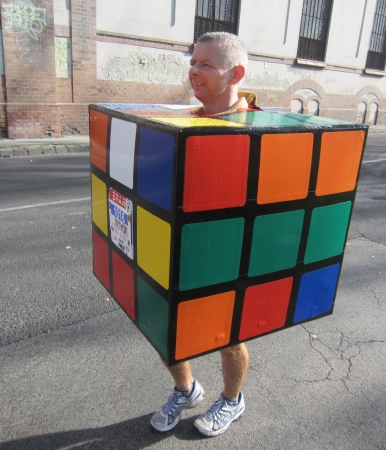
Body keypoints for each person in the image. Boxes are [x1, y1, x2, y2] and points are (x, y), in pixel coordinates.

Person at [150, 32, 256, 437]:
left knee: (228, 335)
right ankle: (187, 389)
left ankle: (232, 400)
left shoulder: (258, 127)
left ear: (236, 74)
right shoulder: (186, 120)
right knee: (166, 324)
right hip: (180, 243)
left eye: (206, 64)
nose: (194, 70)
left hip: (228, 247)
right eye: (193, 62)